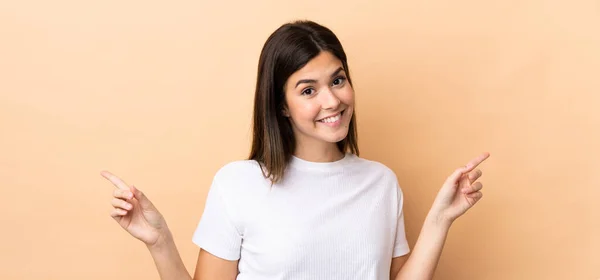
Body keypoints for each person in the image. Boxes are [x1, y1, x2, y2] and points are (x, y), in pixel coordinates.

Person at [101, 20, 490, 280]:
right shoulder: (239, 184)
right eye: (308, 90)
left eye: (337, 80)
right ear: (281, 105)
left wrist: (440, 219)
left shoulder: (380, 183)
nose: (332, 101)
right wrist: (161, 242)